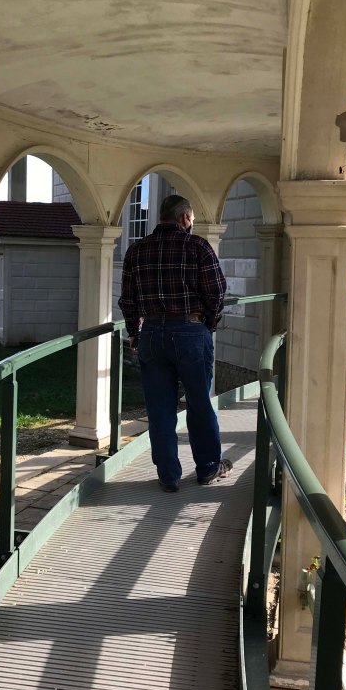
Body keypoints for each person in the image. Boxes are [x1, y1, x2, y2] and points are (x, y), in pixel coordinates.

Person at [118, 194, 232, 492]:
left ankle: (168, 475)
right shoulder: (197, 246)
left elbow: (127, 300)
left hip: (151, 334)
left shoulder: (136, 250)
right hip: (190, 331)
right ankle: (208, 467)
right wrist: (207, 324)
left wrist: (134, 331)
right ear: (184, 218)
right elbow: (216, 292)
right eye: (190, 219)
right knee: (199, 403)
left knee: (159, 409)